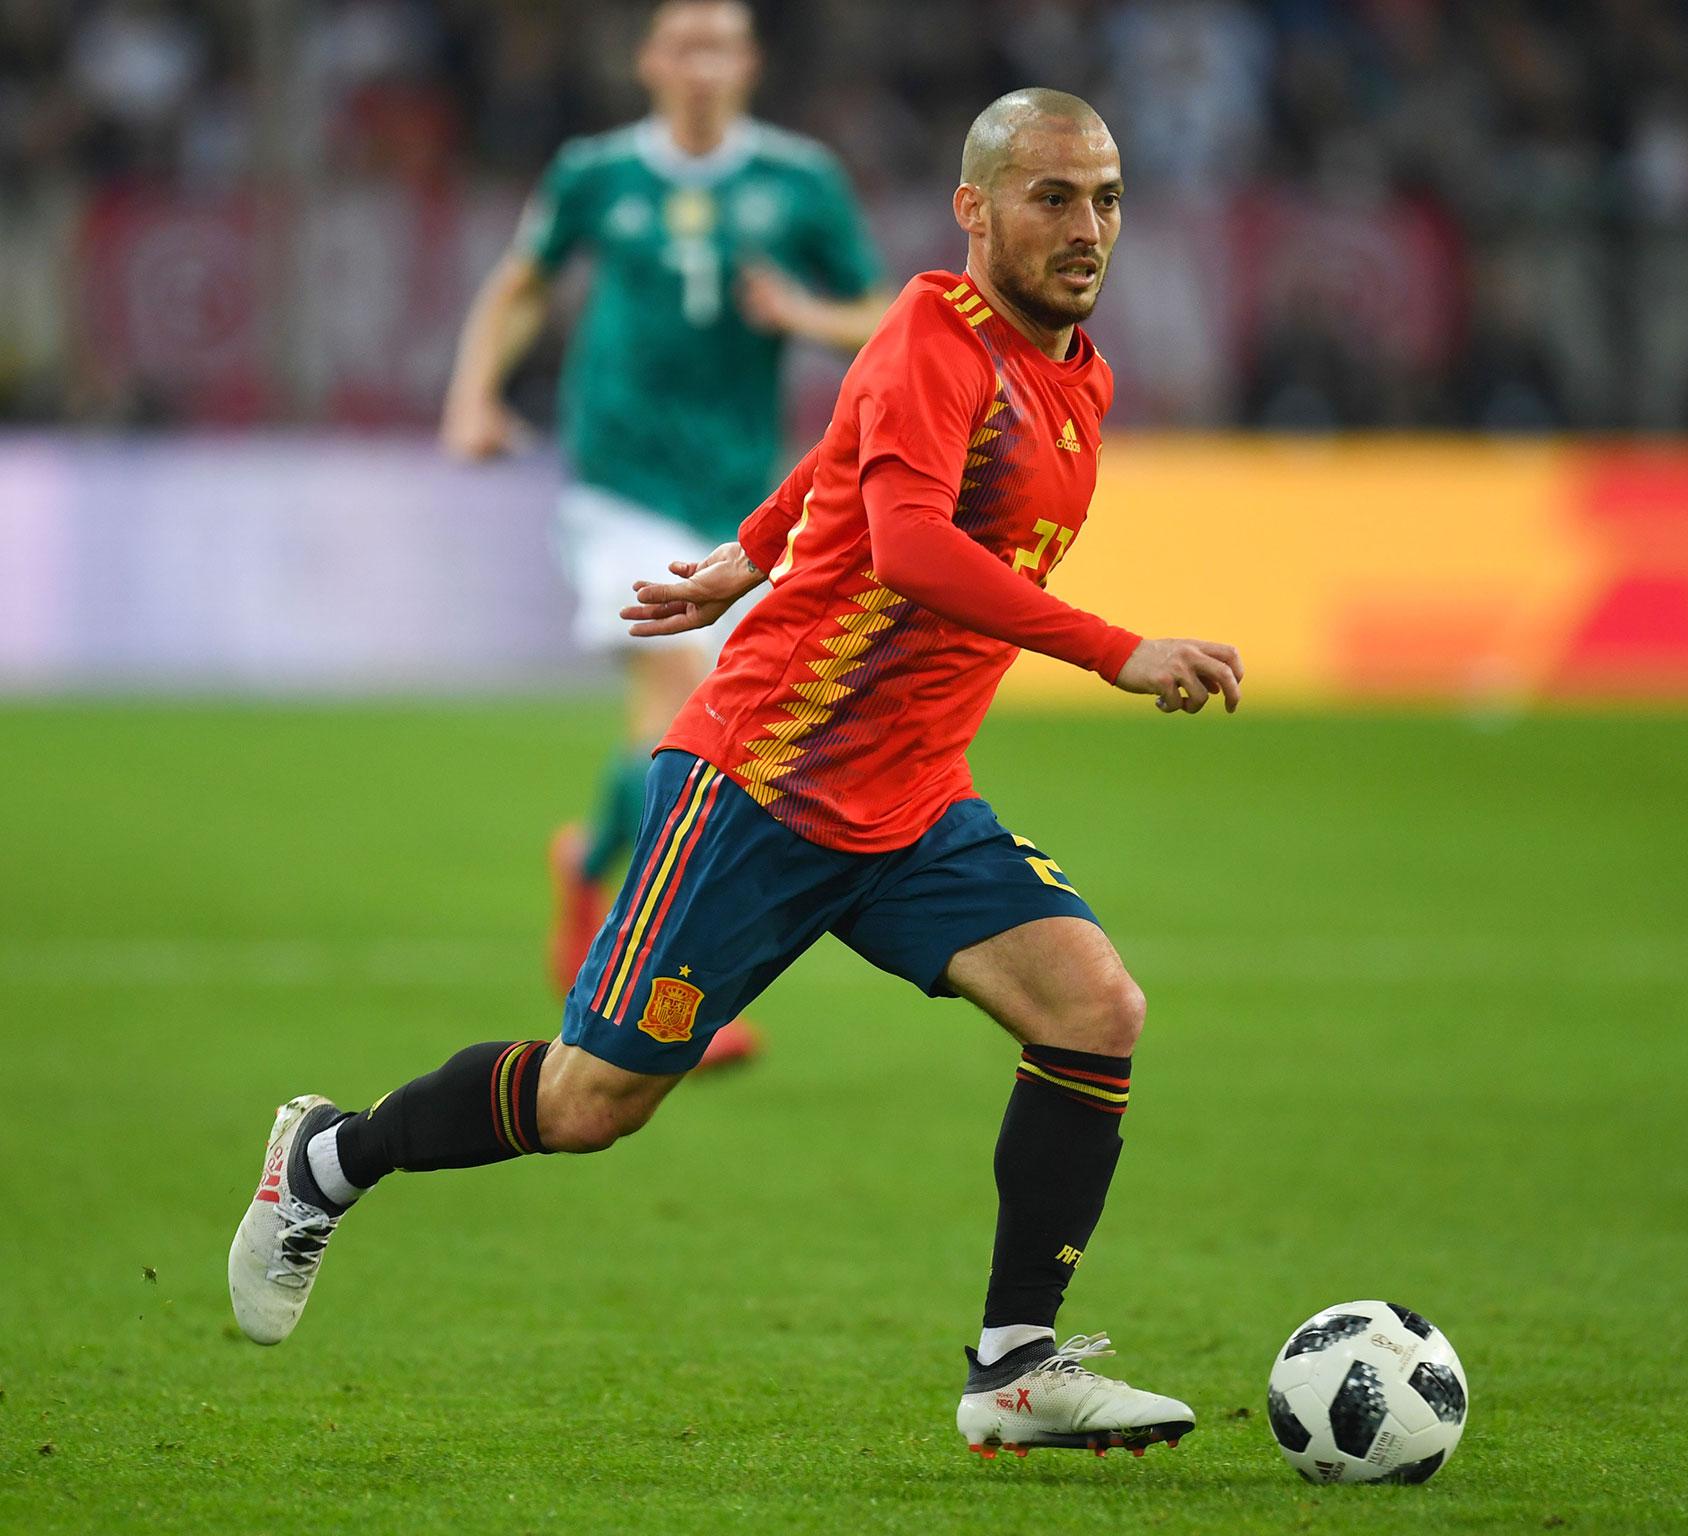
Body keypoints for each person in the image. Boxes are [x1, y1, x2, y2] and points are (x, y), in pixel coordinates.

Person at [233, 87, 1245, 1459]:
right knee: (591, 1107)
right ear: (976, 208)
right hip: (764, 780)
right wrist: (1116, 650)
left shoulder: (1079, 375)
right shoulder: (935, 337)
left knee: (1094, 1008)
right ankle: (329, 1159)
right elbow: (909, 546)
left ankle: (1014, 1367)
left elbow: (838, 454)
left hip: (912, 802)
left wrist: (750, 549)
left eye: (1109, 198)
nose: (1087, 228)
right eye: (1053, 197)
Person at [440, 0, 888, 1032]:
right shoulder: (595, 173)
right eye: (683, 44)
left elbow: (877, 312)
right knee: (681, 710)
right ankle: (658, 989)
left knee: (715, 729)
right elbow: (520, 283)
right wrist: (473, 398)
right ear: (649, 61)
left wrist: (801, 315)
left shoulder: (799, 182)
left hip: (740, 501)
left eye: (720, 46)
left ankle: (587, 861)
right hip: (617, 485)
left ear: (749, 64)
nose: (701, 65)